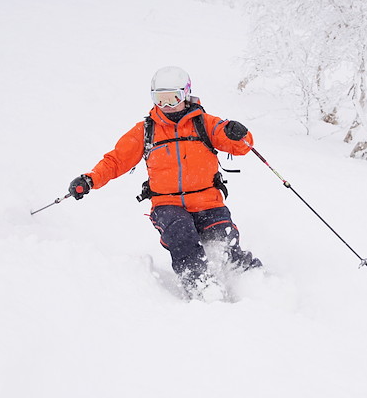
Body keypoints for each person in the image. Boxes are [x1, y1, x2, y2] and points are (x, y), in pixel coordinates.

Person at [68, 66, 262, 298]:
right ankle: (200, 285)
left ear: (186, 94)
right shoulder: (146, 131)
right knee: (181, 232)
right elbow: (116, 160)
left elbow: (242, 146)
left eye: (173, 99)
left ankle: (252, 282)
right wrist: (90, 180)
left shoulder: (205, 124)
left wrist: (239, 133)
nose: (167, 106)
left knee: (223, 237)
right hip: (167, 205)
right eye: (160, 100)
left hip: (208, 201)